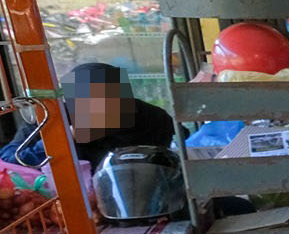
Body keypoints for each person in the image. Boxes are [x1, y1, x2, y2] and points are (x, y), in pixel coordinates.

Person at [2, 62, 174, 170]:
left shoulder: (151, 118)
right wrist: (63, 138)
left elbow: (165, 163)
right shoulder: (52, 117)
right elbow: (10, 161)